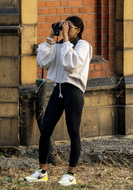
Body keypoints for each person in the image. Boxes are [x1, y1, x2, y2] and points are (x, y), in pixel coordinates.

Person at [24, 16, 92, 187]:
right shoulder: (60, 44)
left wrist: (66, 40)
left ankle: (70, 174)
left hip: (74, 91)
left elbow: (71, 64)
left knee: (73, 132)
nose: (65, 29)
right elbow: (43, 62)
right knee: (46, 129)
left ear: (78, 29)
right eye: (64, 26)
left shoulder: (84, 46)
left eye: (69, 27)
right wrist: (50, 38)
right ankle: (42, 172)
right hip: (58, 90)